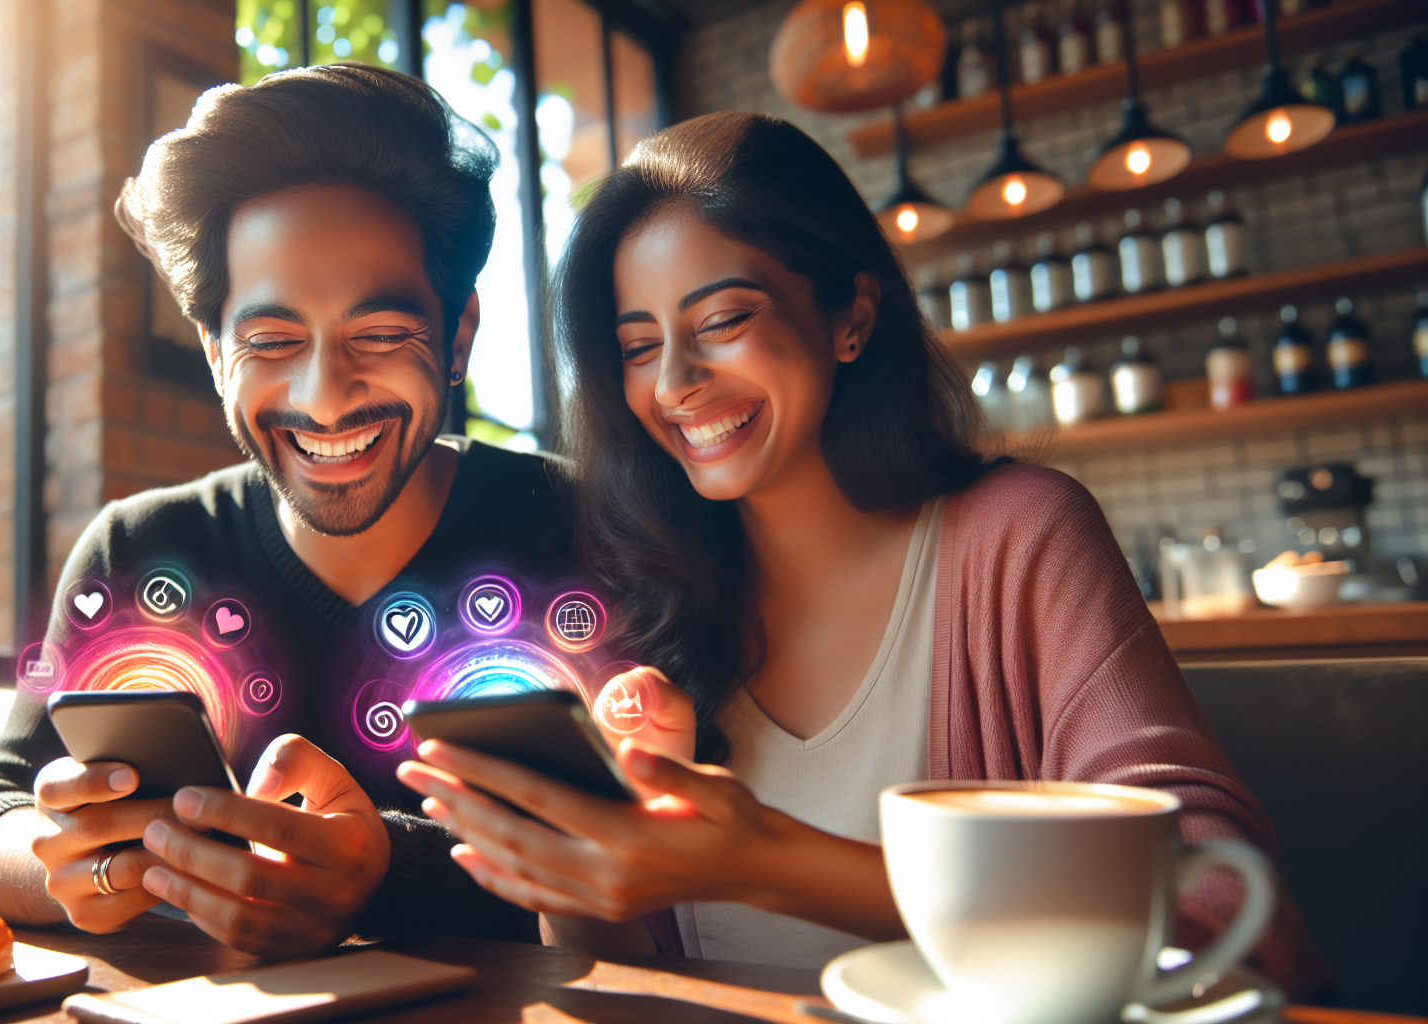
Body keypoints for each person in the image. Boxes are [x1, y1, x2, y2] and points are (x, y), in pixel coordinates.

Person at [398, 111, 1330, 997]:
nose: (676, 384)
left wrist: (768, 860)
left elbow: (1230, 922)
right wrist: (569, 869)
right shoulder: (650, 599)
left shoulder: (1020, 538)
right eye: (639, 348)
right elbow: (633, 977)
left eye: (722, 321)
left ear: (851, 313)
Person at [0, 65, 561, 958]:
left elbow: (660, 880)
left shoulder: (576, 526)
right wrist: (63, 864)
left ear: (458, 335)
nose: (326, 397)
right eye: (271, 342)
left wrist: (389, 870)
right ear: (214, 350)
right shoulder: (141, 547)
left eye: (380, 335)